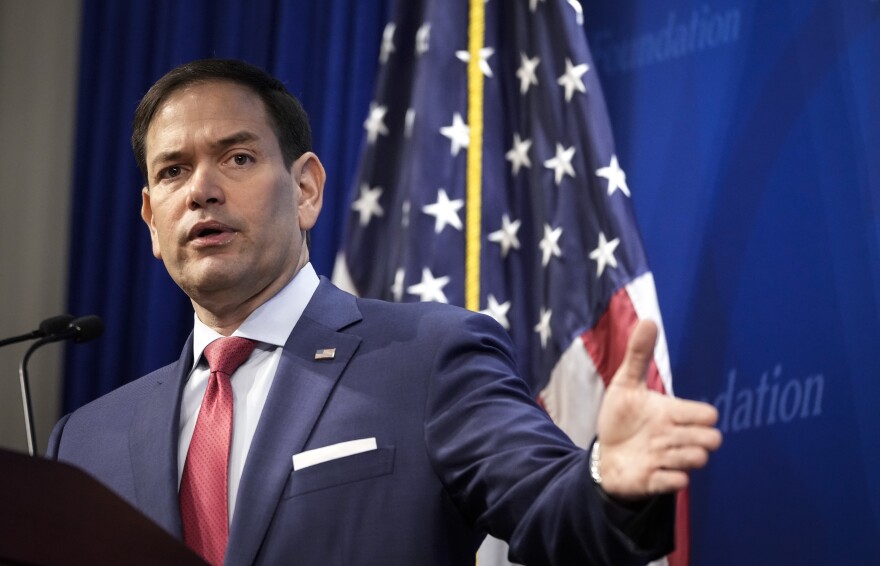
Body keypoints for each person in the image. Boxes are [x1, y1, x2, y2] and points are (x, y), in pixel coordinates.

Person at [48, 59, 721, 566]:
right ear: (150, 220)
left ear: (306, 188)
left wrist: (608, 480)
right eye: (171, 172)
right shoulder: (81, 442)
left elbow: (553, 511)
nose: (200, 190)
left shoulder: (430, 357)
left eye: (238, 157)